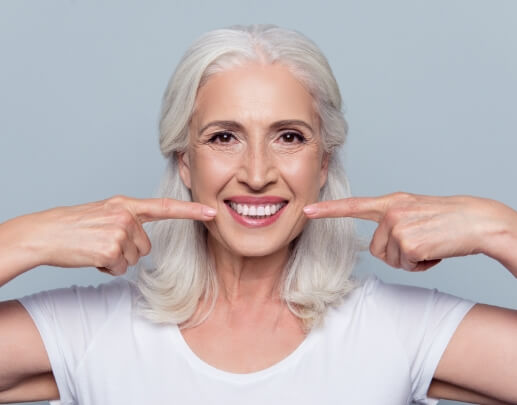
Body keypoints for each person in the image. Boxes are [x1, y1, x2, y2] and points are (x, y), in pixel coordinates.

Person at [0, 24, 516, 405]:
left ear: (323, 163)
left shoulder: (398, 329)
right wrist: (23, 241)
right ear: (185, 161)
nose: (256, 172)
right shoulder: (90, 331)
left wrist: (499, 228)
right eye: (224, 137)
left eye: (289, 137)